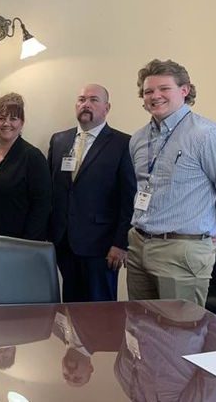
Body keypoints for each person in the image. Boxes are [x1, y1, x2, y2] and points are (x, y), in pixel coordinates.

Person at [127, 59, 216, 306]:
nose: (155, 96)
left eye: (164, 88)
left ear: (184, 90)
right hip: (138, 245)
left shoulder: (209, 136)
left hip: (182, 250)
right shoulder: (138, 139)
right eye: (148, 91)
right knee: (139, 323)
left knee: (180, 327)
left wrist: (215, 229)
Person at [48, 84, 136, 302]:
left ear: (107, 108)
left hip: (102, 246)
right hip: (64, 243)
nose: (86, 104)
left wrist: (121, 243)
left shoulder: (123, 143)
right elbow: (52, 191)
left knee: (100, 312)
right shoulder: (59, 140)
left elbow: (129, 198)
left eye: (94, 100)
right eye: (81, 99)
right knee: (69, 308)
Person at [0, 92, 51, 240]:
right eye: (1, 118)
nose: (6, 123)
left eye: (13, 118)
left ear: (22, 123)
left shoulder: (33, 157)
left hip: (15, 241)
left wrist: (27, 243)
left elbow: (41, 207)